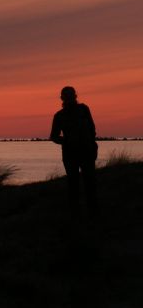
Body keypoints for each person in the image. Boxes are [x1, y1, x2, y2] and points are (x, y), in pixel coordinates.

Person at [50, 86, 98, 219]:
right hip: (70, 154)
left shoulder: (84, 109)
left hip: (86, 152)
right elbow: (53, 136)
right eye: (66, 95)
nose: (69, 97)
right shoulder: (59, 116)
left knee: (90, 183)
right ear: (62, 98)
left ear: (75, 96)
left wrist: (90, 143)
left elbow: (92, 129)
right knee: (73, 184)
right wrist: (67, 141)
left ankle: (93, 213)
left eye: (71, 95)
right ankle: (75, 214)